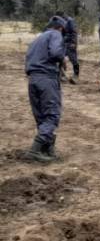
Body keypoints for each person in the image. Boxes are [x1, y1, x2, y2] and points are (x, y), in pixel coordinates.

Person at [23, 16, 67, 162]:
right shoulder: (56, 34)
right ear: (60, 27)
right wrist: (63, 59)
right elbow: (55, 53)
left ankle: (47, 149)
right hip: (46, 78)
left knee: (41, 116)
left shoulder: (38, 38)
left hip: (33, 79)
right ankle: (35, 150)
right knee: (52, 115)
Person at [55, 9, 80, 84]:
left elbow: (74, 32)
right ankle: (62, 75)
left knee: (73, 60)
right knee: (59, 58)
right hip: (63, 43)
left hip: (70, 43)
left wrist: (74, 43)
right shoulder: (59, 21)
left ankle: (76, 75)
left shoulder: (70, 21)